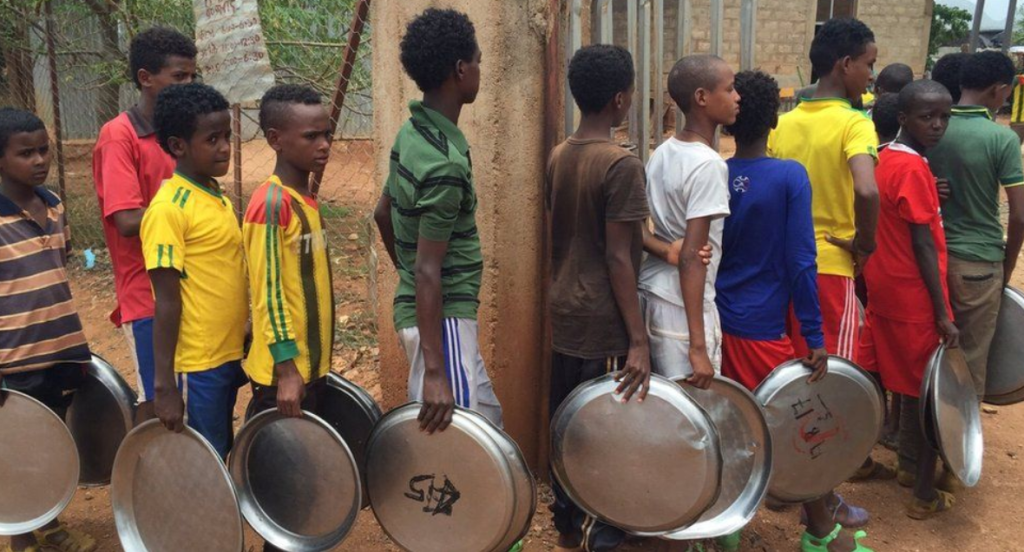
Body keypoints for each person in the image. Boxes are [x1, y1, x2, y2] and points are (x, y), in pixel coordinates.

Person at [768, 17, 882, 550]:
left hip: (784, 271)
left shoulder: (785, 124)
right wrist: (865, 243)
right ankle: (824, 498)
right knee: (829, 388)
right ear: (845, 64)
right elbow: (867, 189)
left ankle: (790, 481)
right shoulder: (855, 124)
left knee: (793, 379)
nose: (871, 75)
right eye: (869, 64)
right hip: (831, 271)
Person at [373, 8, 503, 434]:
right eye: (478, 61)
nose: (480, 70)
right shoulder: (444, 163)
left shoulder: (414, 133)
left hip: (434, 312)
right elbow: (429, 269)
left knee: (489, 424)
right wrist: (435, 371)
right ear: (461, 70)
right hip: (443, 321)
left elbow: (382, 213)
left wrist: (411, 277)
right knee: (455, 443)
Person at [545, 44, 648, 552]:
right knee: (603, 430)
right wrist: (638, 340)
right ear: (620, 100)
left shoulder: (560, 155)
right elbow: (618, 257)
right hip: (602, 320)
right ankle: (598, 535)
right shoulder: (621, 165)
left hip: (564, 309)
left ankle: (568, 524)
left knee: (568, 422)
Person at [858, 79, 958, 520]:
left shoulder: (882, 158)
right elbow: (922, 243)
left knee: (881, 379)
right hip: (915, 297)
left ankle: (896, 464)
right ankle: (922, 493)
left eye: (944, 117)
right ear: (903, 118)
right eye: (927, 117)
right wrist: (941, 312)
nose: (937, 125)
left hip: (883, 290)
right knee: (929, 394)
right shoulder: (914, 168)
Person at [0, 109, 95, 552]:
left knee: (51, 443)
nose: (39, 160)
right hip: (13, 361)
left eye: (43, 150)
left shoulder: (54, 205)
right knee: (16, 449)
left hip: (62, 351)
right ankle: (21, 536)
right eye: (26, 153)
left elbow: (59, 266)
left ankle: (52, 526)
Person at [92, 27, 197, 425]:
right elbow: (126, 220)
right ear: (145, 78)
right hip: (146, 293)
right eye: (179, 76)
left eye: (193, 76)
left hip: (189, 288)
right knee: (159, 402)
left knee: (187, 399)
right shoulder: (119, 137)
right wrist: (193, 217)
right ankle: (138, 466)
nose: (189, 85)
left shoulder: (181, 134)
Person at [141, 83, 247, 459]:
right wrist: (164, 385)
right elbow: (166, 301)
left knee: (221, 446)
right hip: (198, 362)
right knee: (204, 458)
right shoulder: (169, 210)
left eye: (227, 136)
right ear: (178, 146)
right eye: (212, 139)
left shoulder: (214, 196)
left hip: (226, 351)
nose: (225, 147)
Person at [927, 50, 1024, 403]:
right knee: (969, 363)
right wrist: (1006, 266)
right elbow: (1019, 215)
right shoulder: (1002, 139)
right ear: (999, 89)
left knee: (927, 354)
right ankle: (960, 438)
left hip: (928, 259)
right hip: (978, 265)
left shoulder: (929, 128)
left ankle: (918, 433)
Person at [638, 54, 738, 391]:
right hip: (684, 311)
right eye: (730, 89)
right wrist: (698, 346)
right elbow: (693, 257)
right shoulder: (709, 165)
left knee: (663, 407)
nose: (737, 97)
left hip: (653, 294)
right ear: (701, 97)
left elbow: (642, 230)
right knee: (693, 411)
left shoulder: (662, 153)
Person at [242, 84, 334, 435]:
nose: (324, 145)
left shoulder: (304, 198)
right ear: (275, 139)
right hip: (284, 376)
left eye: (327, 134)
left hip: (311, 369)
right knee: (282, 462)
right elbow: (268, 293)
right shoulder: (272, 204)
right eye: (311, 136)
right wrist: (287, 371)